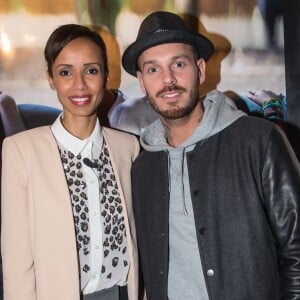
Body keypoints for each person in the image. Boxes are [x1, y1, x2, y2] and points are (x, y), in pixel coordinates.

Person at [122, 11, 300, 300]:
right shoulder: (142, 166)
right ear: (142, 82)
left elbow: (296, 248)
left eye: (178, 64)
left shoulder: (257, 140)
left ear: (201, 69)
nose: (168, 79)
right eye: (153, 69)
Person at [1, 24, 140, 300]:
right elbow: (17, 263)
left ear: (106, 76)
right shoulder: (21, 151)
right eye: (66, 72)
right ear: (51, 79)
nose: (80, 84)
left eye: (91, 70)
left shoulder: (128, 147)